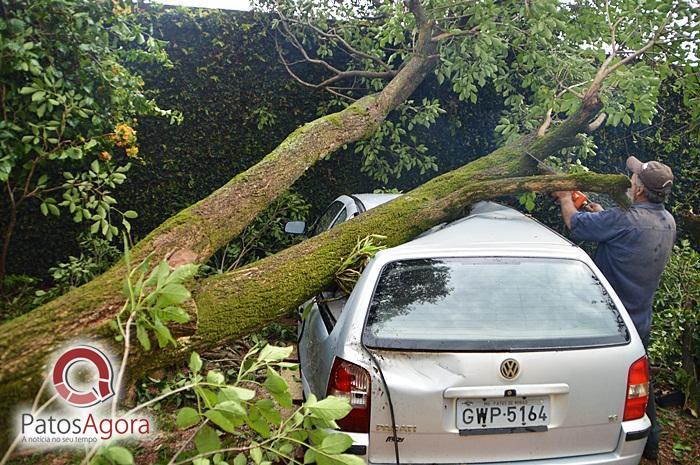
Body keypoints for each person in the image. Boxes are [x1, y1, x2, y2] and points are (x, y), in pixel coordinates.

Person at [553, 156, 676, 461]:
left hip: (605, 319)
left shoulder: (624, 219)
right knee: (639, 382)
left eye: (634, 178)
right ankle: (650, 444)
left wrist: (567, 197)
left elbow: (574, 224)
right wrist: (599, 212)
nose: (630, 180)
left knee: (593, 378)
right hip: (640, 317)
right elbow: (625, 233)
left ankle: (583, 440)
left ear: (639, 190)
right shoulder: (667, 221)